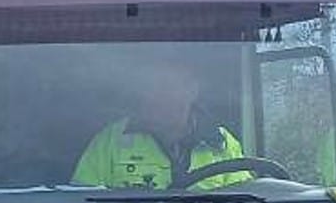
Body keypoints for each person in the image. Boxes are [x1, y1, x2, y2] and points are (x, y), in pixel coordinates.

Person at [73, 65, 251, 191]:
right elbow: (82, 202)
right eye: (154, 88)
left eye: (171, 88)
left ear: (192, 91)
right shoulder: (111, 140)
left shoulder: (222, 142)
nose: (161, 97)